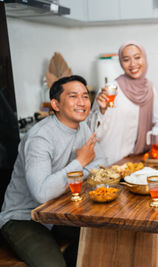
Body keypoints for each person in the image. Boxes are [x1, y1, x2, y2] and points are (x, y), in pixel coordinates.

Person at [0, 75, 107, 267]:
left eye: (85, 96)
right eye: (73, 96)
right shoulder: (40, 138)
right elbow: (42, 193)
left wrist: (79, 171)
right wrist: (80, 163)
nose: (82, 102)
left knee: (104, 236)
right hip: (25, 217)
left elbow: (100, 161)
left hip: (59, 212)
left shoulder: (81, 128)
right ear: (56, 104)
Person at [88, 40, 158, 164]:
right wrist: (102, 111)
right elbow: (93, 133)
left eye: (137, 58)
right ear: (121, 63)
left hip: (137, 159)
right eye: (126, 60)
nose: (133, 64)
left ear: (144, 58)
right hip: (110, 162)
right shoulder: (110, 90)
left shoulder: (149, 88)